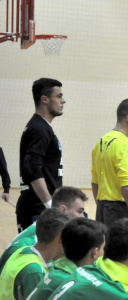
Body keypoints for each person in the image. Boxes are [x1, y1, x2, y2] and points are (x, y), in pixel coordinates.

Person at [0, 186, 88, 274]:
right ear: (63, 210)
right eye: (79, 212)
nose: (83, 217)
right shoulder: (38, 238)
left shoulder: (45, 228)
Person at [16, 78, 65, 232]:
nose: (63, 101)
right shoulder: (39, 129)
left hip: (39, 208)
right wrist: (49, 204)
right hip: (37, 209)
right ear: (45, 99)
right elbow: (32, 167)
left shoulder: (41, 127)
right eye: (59, 96)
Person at [91, 99, 128, 226]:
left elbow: (95, 183)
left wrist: (102, 207)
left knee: (107, 245)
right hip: (121, 210)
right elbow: (127, 186)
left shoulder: (100, 143)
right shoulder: (125, 146)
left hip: (102, 208)